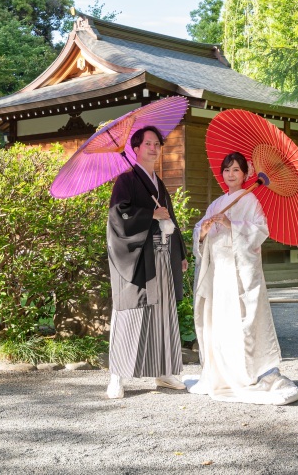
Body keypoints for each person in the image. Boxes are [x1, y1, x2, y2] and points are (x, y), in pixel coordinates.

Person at [187, 152, 298, 405]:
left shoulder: (251, 201)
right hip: (218, 270)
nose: (231, 174)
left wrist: (232, 225)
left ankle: (244, 373)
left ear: (246, 174)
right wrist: (203, 231)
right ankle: (220, 373)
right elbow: (201, 234)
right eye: (227, 170)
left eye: (236, 170)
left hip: (238, 273)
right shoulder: (217, 203)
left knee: (240, 321)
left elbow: (260, 231)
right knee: (218, 321)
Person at [105, 126, 189, 399]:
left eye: (157, 144)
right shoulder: (126, 181)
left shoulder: (158, 182)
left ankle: (163, 372)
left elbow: (170, 218)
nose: (154, 148)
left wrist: (181, 253)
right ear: (136, 149)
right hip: (139, 257)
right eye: (148, 144)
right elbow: (118, 217)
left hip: (163, 255)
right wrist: (149, 214)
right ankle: (116, 375)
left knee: (163, 313)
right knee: (131, 311)